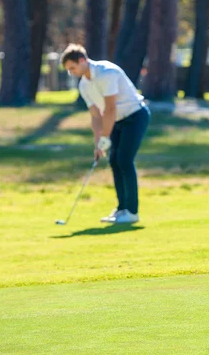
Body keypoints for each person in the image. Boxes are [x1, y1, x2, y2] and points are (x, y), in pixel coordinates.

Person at [60, 44, 150, 224]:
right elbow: (95, 116)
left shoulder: (106, 72)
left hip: (135, 116)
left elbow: (110, 108)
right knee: (114, 161)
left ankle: (132, 212)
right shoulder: (84, 86)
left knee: (124, 159)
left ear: (82, 60)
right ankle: (121, 209)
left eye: (72, 68)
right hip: (116, 120)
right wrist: (98, 144)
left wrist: (105, 138)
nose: (71, 72)